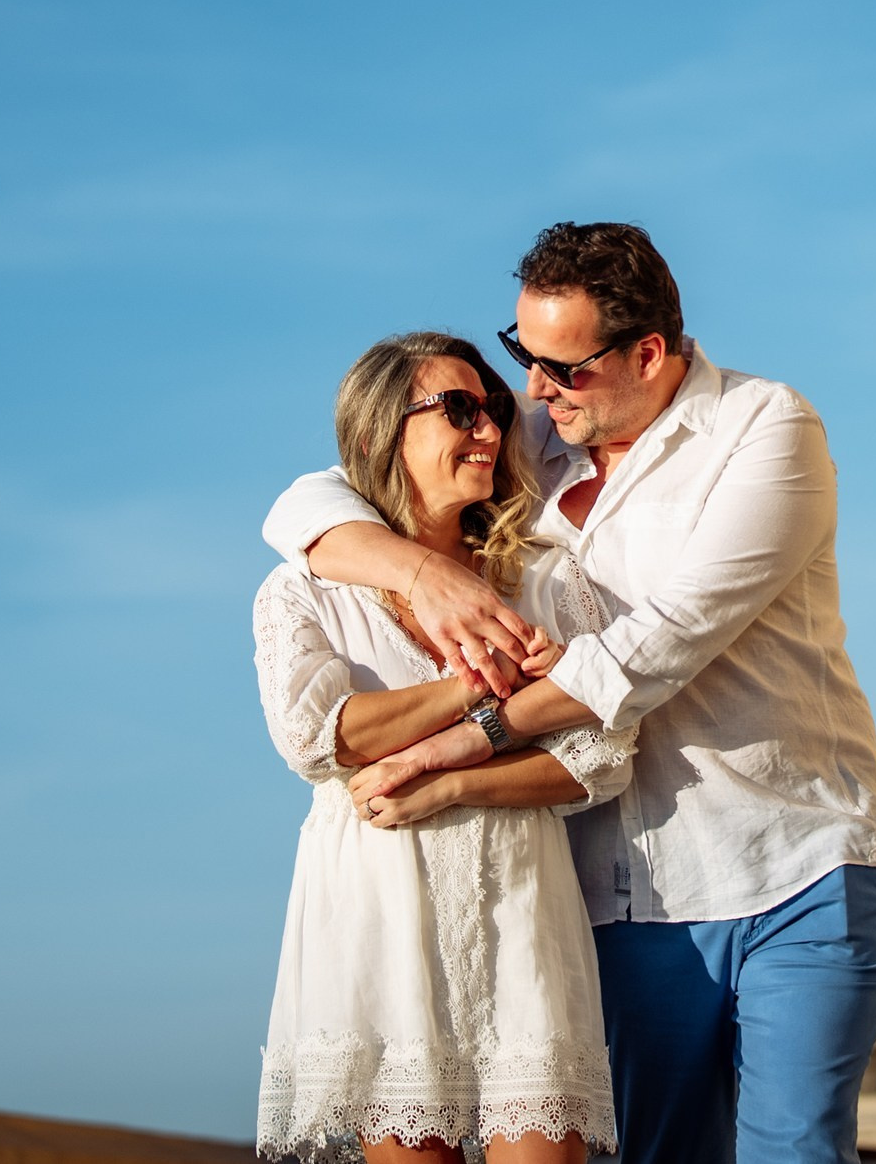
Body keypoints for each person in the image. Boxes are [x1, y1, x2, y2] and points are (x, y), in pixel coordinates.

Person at [263, 222, 876, 1164]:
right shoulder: (541, 435)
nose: (530, 390)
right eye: (521, 357)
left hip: (794, 862)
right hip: (623, 901)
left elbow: (645, 652)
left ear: (648, 353)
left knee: (798, 1149)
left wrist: (463, 742)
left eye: (559, 367)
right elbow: (310, 500)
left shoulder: (766, 430)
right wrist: (419, 572)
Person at [252, 331, 636, 1164]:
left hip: (523, 908)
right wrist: (474, 683)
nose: (492, 430)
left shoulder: (544, 579)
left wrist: (457, 783)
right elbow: (320, 736)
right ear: (378, 434)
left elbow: (602, 754)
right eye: (460, 409)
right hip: (377, 913)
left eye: (494, 407)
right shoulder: (304, 586)